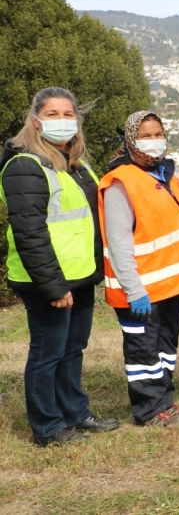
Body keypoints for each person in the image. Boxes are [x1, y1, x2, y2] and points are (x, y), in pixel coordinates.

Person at [0, 87, 119, 446]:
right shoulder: (25, 165)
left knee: (72, 348)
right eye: (53, 114)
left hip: (79, 274)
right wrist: (53, 286)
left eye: (68, 114)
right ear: (35, 120)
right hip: (47, 279)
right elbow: (29, 232)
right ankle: (48, 427)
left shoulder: (75, 164)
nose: (62, 121)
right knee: (47, 352)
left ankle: (75, 413)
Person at [99, 111, 179, 428]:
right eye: (146, 134)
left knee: (164, 348)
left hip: (168, 286)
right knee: (144, 351)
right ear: (131, 140)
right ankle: (148, 409)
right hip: (139, 289)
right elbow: (118, 242)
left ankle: (164, 402)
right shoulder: (120, 183)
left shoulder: (165, 176)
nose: (154, 139)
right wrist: (134, 290)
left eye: (158, 133)